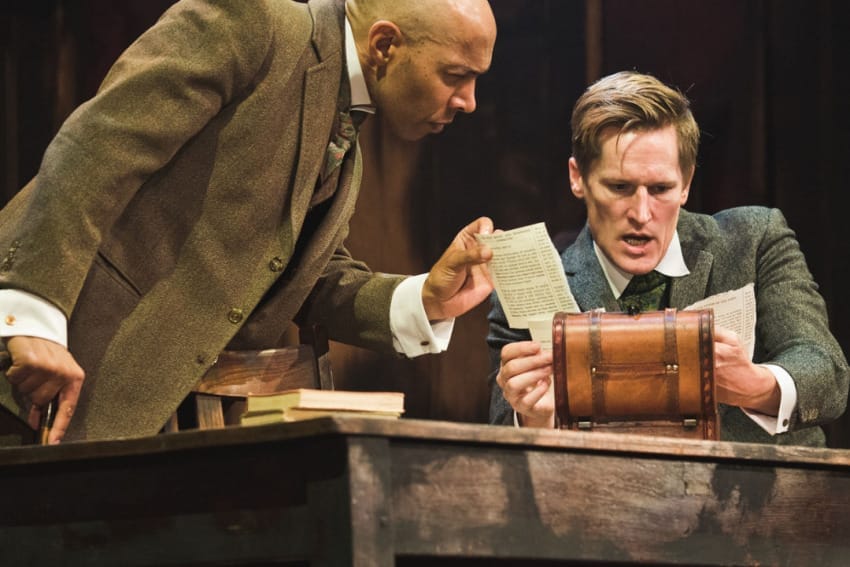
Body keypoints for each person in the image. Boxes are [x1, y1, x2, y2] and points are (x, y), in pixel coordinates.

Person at [0, 0, 498, 443]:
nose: (469, 101)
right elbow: (95, 148)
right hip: (32, 373)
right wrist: (32, 314)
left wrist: (424, 299)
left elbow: (300, 275)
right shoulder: (253, 25)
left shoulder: (345, 125)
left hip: (134, 419)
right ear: (384, 43)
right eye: (455, 74)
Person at [489, 70, 849, 446]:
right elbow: (500, 433)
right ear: (578, 177)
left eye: (660, 189)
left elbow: (828, 372)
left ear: (687, 182)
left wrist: (754, 385)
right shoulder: (528, 290)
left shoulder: (755, 241)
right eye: (619, 187)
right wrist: (533, 417)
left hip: (754, 499)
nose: (642, 213)